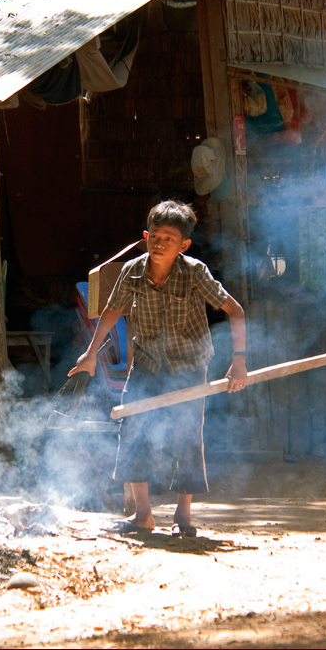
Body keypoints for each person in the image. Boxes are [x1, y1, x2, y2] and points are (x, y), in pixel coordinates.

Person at [69, 200, 249, 537]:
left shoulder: (195, 272)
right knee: (134, 430)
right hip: (148, 363)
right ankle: (143, 515)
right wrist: (91, 353)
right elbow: (111, 311)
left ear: (184, 245)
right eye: (155, 236)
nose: (160, 243)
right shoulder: (133, 271)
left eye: (169, 238)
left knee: (187, 435)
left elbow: (235, 311)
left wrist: (238, 361)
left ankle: (183, 514)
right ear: (145, 236)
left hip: (189, 365)